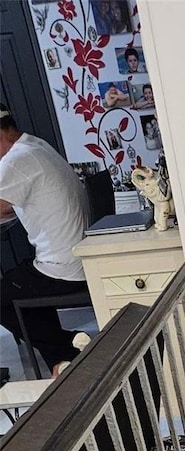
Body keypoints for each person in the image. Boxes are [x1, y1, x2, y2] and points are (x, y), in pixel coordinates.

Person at [0, 106, 89, 376]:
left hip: (65, 267)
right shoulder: (36, 146)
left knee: (4, 297)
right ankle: (61, 357)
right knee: (21, 278)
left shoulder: (16, 160)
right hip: (80, 256)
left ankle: (66, 348)